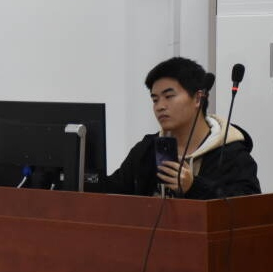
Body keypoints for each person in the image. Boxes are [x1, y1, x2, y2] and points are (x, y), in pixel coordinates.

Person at [101, 56, 260, 198]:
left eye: (169, 96)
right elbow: (112, 192)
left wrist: (193, 186)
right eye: (155, 100)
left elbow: (248, 210)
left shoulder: (231, 155)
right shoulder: (147, 150)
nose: (160, 106)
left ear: (198, 99)